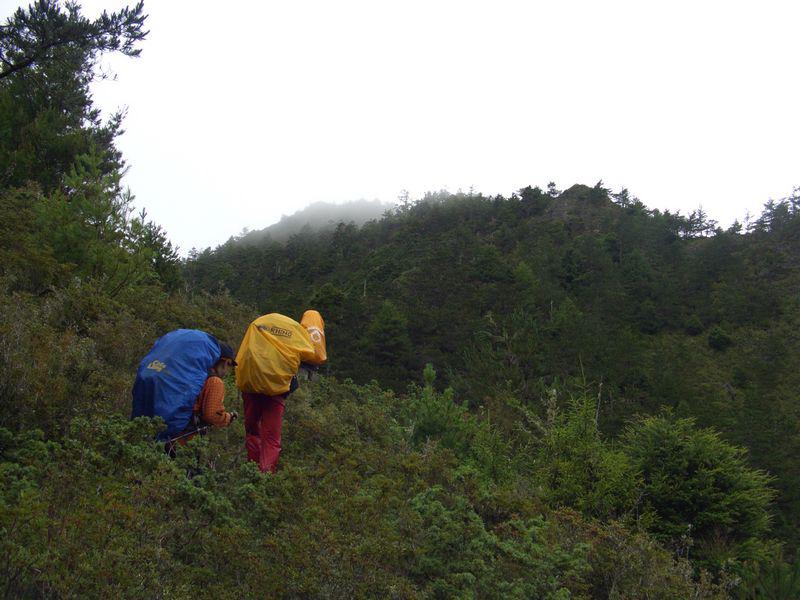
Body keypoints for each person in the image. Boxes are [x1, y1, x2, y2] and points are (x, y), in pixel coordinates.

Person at [236, 310, 326, 473]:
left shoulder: (260, 322)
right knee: (271, 439)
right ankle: (265, 476)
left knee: (252, 431)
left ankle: (251, 470)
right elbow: (314, 356)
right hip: (276, 391)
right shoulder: (297, 332)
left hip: (251, 383)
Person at [165, 342, 239, 455]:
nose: (229, 370)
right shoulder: (215, 382)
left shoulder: (194, 374)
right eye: (230, 366)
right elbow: (211, 415)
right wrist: (228, 418)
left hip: (169, 434)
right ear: (226, 362)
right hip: (188, 440)